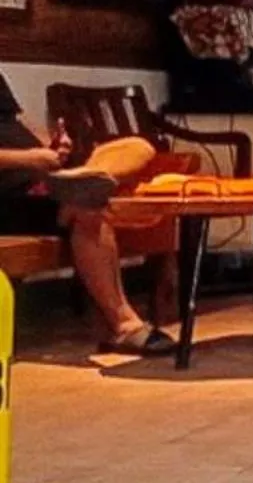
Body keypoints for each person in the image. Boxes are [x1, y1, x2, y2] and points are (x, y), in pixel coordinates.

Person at [0, 74, 172, 356]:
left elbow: (18, 120)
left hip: (40, 180)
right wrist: (29, 158)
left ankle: (82, 177)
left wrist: (53, 146)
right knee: (87, 206)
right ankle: (125, 326)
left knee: (138, 147)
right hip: (7, 195)